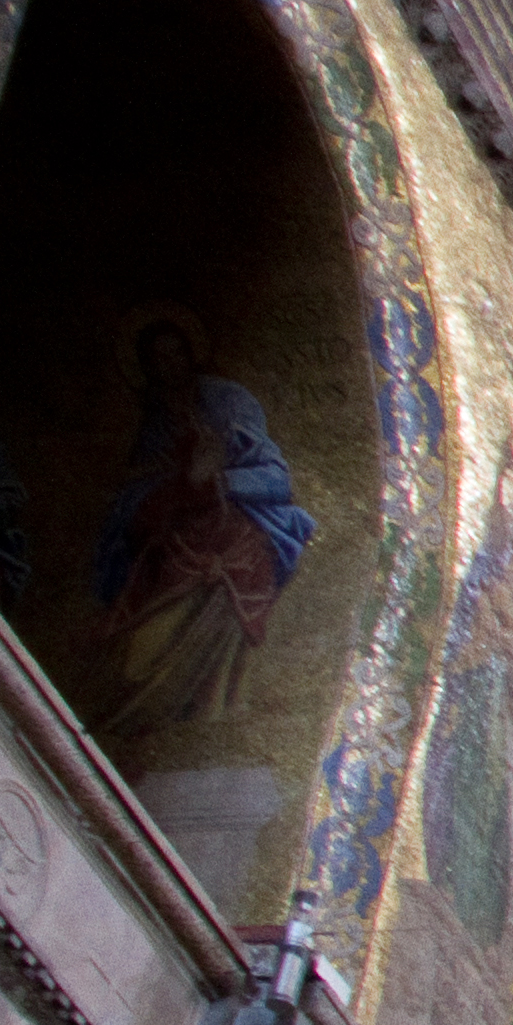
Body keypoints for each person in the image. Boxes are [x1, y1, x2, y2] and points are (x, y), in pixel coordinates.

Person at [91, 315, 317, 739]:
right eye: (157, 359)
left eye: (175, 353)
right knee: (143, 644)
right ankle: (141, 723)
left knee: (219, 600)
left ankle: (210, 720)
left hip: (234, 536)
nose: (168, 365)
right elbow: (140, 490)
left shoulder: (226, 402)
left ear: (191, 354)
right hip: (180, 541)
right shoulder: (155, 421)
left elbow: (274, 477)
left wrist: (219, 479)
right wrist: (169, 492)